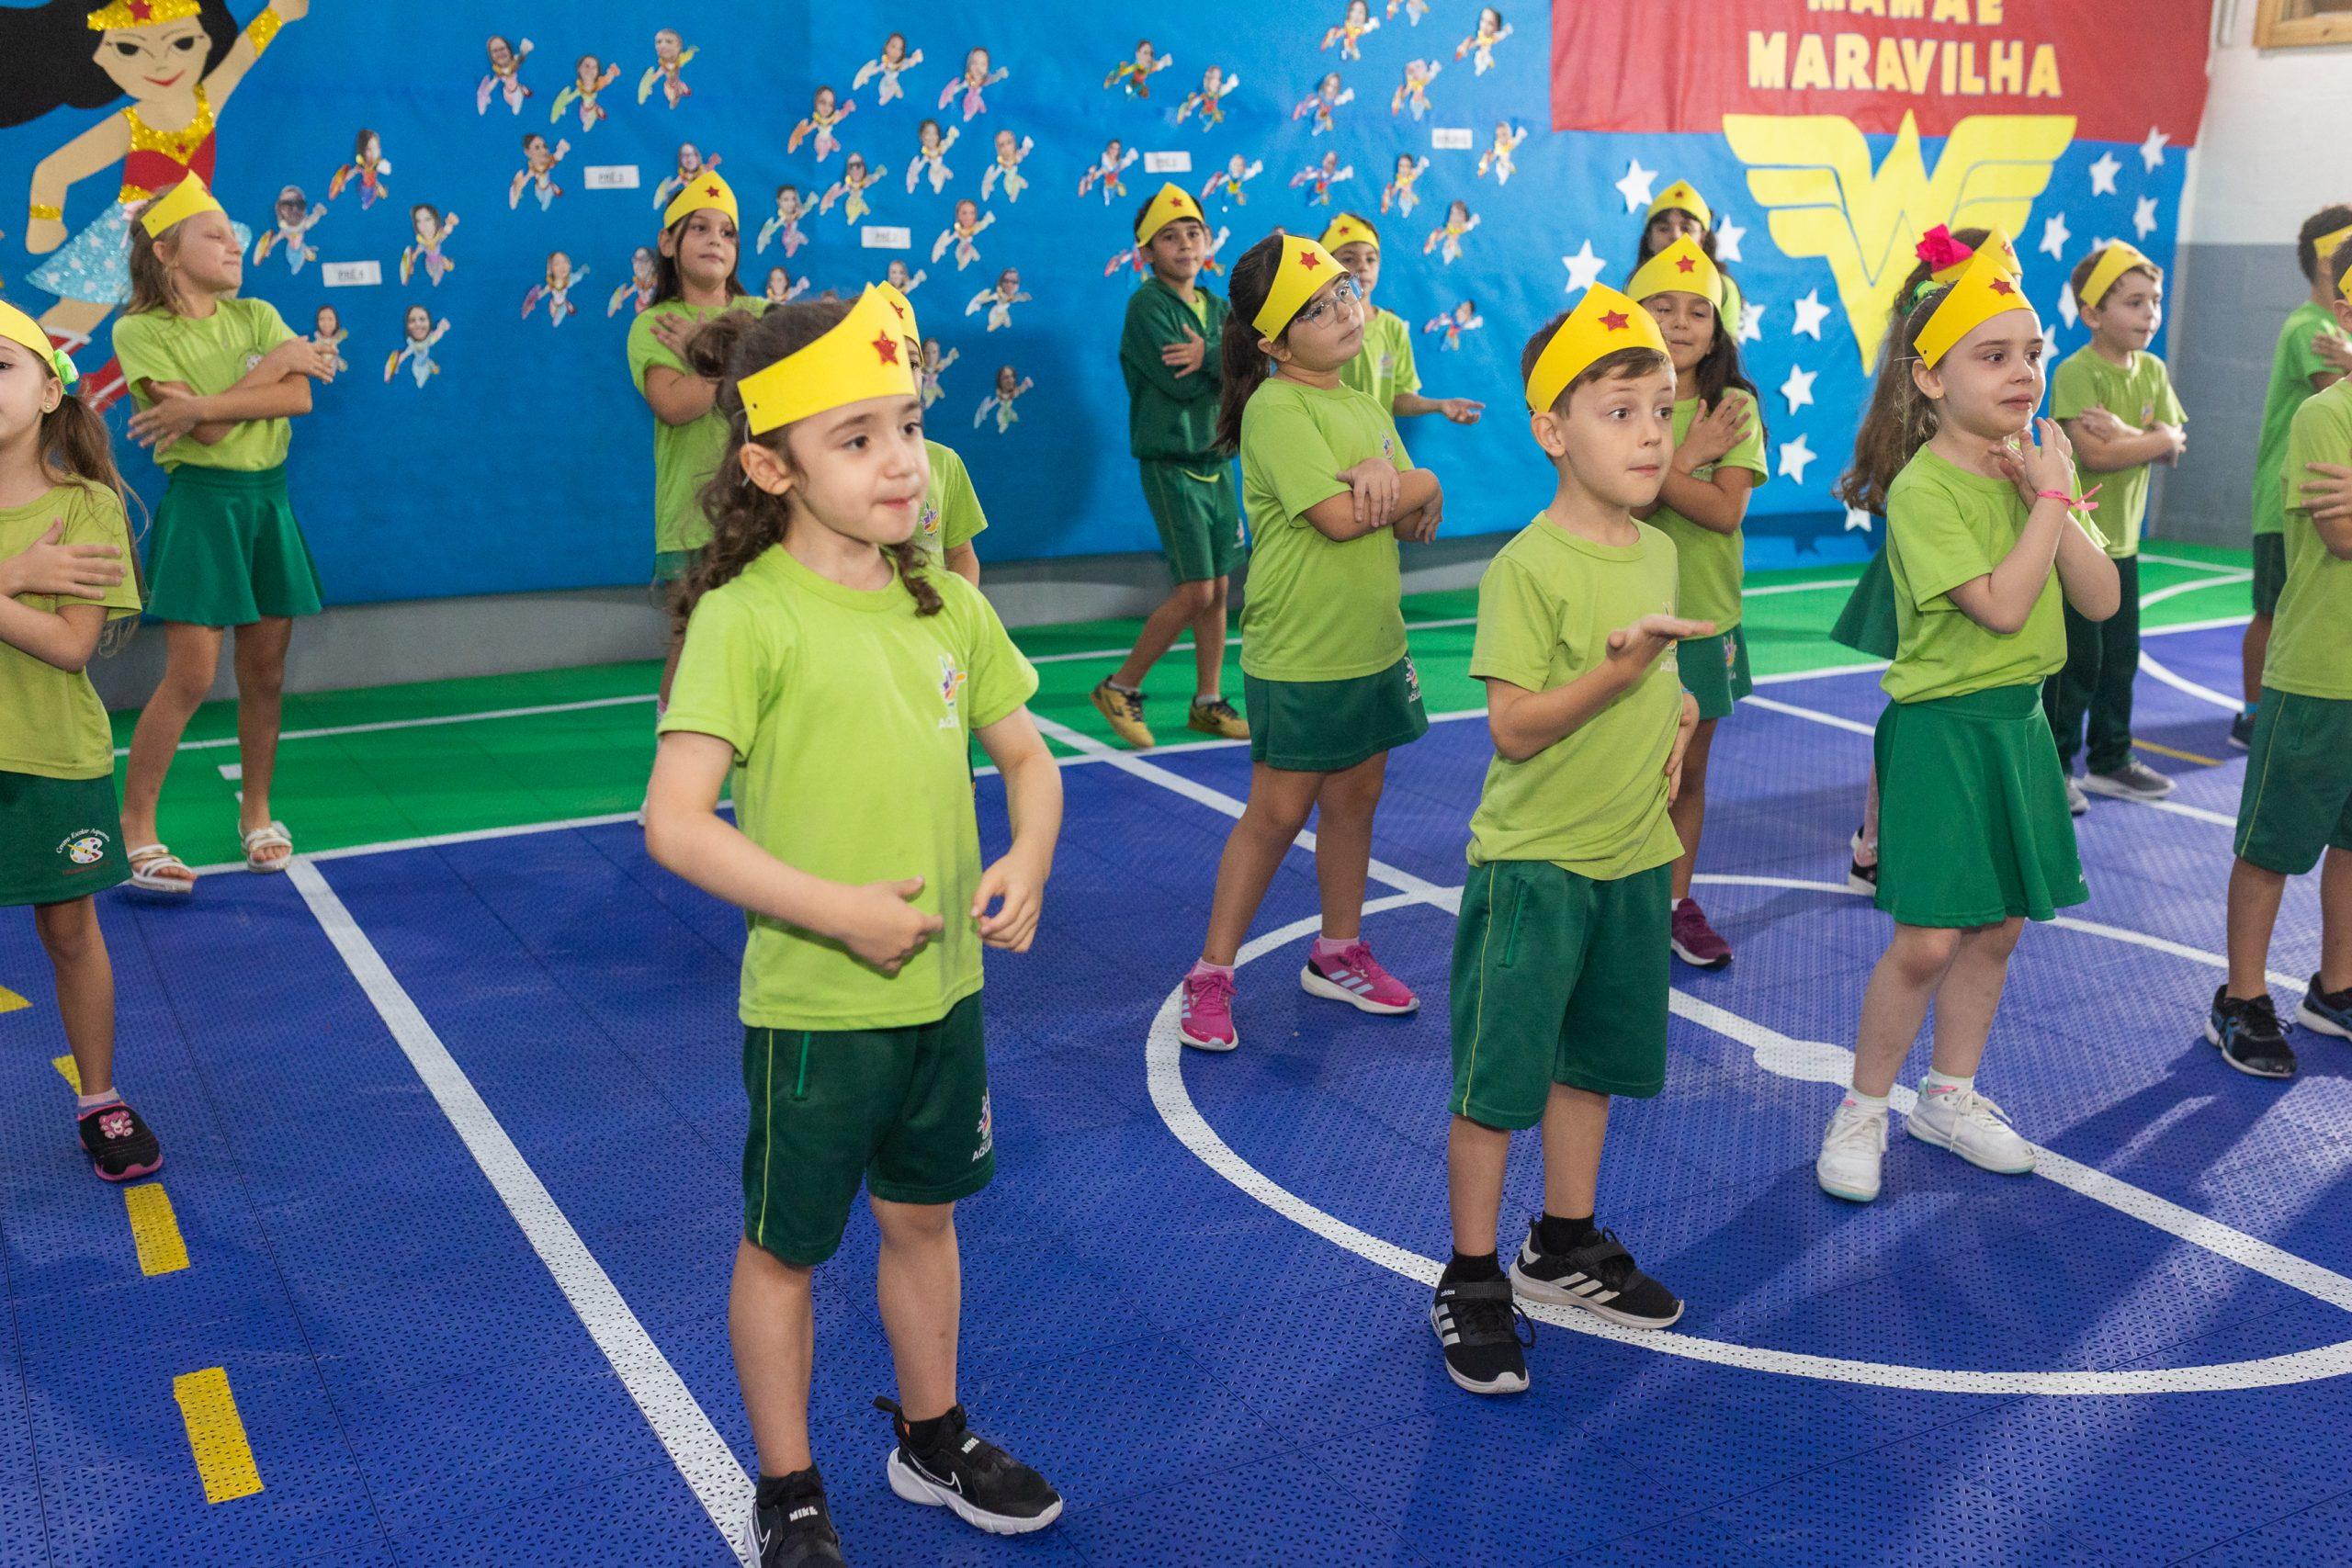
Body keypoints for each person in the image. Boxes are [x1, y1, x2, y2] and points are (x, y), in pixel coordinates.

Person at [643, 289, 1066, 1565]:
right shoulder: (749, 617)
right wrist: (835, 912)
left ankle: (932, 1434)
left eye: (909, 427)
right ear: (773, 468)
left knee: (924, 1219)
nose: (903, 463)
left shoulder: (946, 605)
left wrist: (1029, 851)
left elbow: (1030, 758)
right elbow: (676, 822)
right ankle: (788, 1487)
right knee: (785, 1250)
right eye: (859, 438)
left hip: (945, 997)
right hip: (816, 1014)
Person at [1433, 286, 1708, 1396]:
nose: (1650, 435)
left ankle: (1561, 1241)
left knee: (1589, 1065)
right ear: (1552, 430)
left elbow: (1663, 675)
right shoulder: (1527, 567)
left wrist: (1674, 709)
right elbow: (1513, 725)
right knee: (1497, 1082)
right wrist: (1620, 675)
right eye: (1619, 412)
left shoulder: (1658, 551)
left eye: (1661, 411)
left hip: (1632, 858)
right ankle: (1470, 1275)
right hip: (1535, 869)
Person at [1813, 246, 2120, 1205]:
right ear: (1930, 378)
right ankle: (1863, 1107)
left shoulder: (2034, 470)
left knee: (1998, 929)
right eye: (1993, 355)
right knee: (1926, 941)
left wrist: (2046, 497)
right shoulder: (1925, 489)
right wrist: (2051, 500)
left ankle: (1948, 1096)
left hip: (2019, 728)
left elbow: (2100, 598)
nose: (2023, 372)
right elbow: (1999, 605)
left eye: (2031, 353)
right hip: (1942, 732)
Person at [1174, 232, 1441, 1053]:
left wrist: (1405, 483)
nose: (1345, 311)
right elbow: (1338, 518)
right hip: (1301, 655)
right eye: (1318, 309)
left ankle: (1337, 951)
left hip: (1373, 646)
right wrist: (1404, 485)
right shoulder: (1276, 408)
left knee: (1356, 799)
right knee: (1277, 813)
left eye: (1344, 295)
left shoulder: (1365, 407)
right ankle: (1211, 972)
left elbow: (1417, 517)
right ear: (1275, 344)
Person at [110, 175, 337, 896]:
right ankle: (135, 825)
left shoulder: (258, 313)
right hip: (203, 508)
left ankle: (257, 813)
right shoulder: (139, 330)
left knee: (265, 674)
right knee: (191, 676)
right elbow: (205, 434)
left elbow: (297, 398)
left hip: (268, 503)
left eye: (235, 235)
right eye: (215, 235)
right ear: (166, 252)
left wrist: (211, 401)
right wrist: (270, 368)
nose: (234, 245)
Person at [0, 300, 162, 1182]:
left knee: (69, 931)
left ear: (49, 391)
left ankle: (99, 1098)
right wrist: (13, 577)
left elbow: (69, 645)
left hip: (53, 759)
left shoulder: (87, 505)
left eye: (1, 365)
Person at [2208, 240, 2352, 1079]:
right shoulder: (2325, 415)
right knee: (2272, 844)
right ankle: (2243, 996)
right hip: (2320, 674)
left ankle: (2336, 985)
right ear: (2346, 310)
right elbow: (2342, 533)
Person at [1626, 235, 1767, 970]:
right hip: (1621, 615)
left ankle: (1673, 902)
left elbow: (1722, 511)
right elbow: (1621, 507)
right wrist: (1685, 459)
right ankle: (1619, 897)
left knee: (1687, 770)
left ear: (1718, 330)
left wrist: (1661, 476)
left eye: (1698, 311)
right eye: (1663, 306)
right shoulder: (1618, 401)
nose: (1681, 323)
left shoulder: (1732, 406)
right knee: (1621, 765)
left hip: (1706, 620)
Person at [1090, 186, 1249, 748]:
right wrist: (1222, 363)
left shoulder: (1220, 308)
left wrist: (1209, 356)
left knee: (1220, 587)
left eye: (1193, 233)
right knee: (1197, 590)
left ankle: (1207, 701)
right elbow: (1177, 380)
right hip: (1172, 465)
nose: (1185, 243)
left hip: (1217, 461)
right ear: (1146, 252)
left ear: (1208, 242)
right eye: (1169, 236)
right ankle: (1120, 686)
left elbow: (1249, 370)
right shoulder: (1148, 307)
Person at [2044, 241, 2187, 807]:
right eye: (2134, 302)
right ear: (2092, 314)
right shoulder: (2076, 373)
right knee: (2077, 663)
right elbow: (2095, 456)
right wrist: (2157, 438)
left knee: (2120, 661)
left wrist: (2134, 434)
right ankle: (2054, 767)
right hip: (2080, 547)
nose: (2150, 313)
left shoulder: (2153, 369)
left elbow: (2177, 446)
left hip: (2124, 547)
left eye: (2155, 301)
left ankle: (2110, 759)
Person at [625, 170, 758, 708]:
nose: (714, 241)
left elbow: (787, 393)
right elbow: (676, 405)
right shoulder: (654, 324)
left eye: (727, 233)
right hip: (693, 519)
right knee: (694, 645)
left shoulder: (762, 316)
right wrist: (736, 363)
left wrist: (703, 350)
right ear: (668, 242)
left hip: (771, 510)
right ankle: (672, 761)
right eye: (699, 228)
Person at [2237, 206, 2352, 749]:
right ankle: (2254, 712)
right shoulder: (2311, 327)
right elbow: (2334, 385)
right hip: (2298, 496)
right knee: (2272, 608)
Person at [1319, 212, 1484, 426]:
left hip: (1378, 441)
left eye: (1371, 259)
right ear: (1328, 265)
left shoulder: (1393, 328)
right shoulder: (1319, 325)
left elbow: (1397, 397)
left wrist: (1439, 405)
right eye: (1349, 259)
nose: (1363, 266)